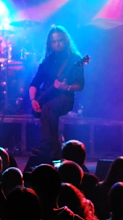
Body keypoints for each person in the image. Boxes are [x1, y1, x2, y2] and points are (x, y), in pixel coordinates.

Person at [28, 25, 85, 159]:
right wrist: (33, 100)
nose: (57, 44)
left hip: (65, 99)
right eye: (54, 41)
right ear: (50, 43)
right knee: (43, 108)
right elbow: (34, 83)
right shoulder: (48, 60)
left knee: (48, 108)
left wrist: (66, 87)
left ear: (66, 40)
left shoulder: (74, 59)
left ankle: (46, 148)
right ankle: (55, 150)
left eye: (60, 40)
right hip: (48, 96)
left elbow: (80, 85)